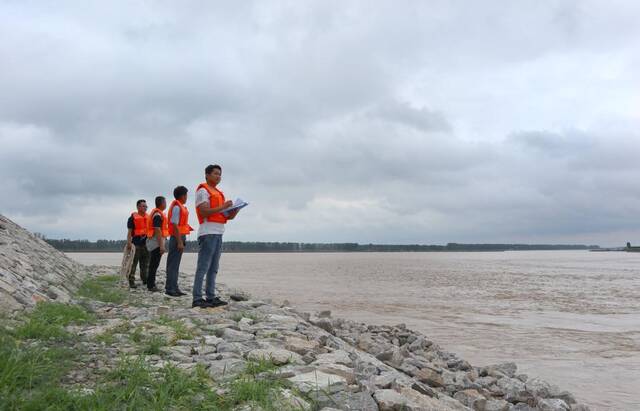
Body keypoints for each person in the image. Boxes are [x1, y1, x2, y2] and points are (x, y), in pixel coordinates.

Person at [192, 164, 238, 308]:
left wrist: (234, 211)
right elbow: (204, 212)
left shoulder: (218, 192)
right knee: (203, 267)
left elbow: (225, 216)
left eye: (220, 174)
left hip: (218, 232)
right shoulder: (202, 191)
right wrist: (223, 207)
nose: (218, 176)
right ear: (207, 175)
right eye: (215, 173)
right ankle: (197, 298)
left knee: (213, 267)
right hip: (208, 233)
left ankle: (210, 296)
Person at [166, 186, 193, 297]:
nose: (187, 197)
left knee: (176, 265)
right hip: (177, 238)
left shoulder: (180, 206)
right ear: (182, 196)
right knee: (173, 264)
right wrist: (179, 242)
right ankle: (170, 289)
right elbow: (175, 225)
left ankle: (174, 287)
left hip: (180, 237)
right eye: (186, 195)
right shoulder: (177, 207)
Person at [146, 196, 169, 292]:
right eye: (165, 202)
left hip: (155, 243)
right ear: (161, 203)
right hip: (156, 243)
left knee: (153, 264)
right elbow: (158, 230)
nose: (166, 204)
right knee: (154, 265)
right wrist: (162, 246)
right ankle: (151, 285)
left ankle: (151, 284)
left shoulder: (157, 214)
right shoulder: (157, 215)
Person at [126, 199, 150, 289]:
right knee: (133, 264)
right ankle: (131, 281)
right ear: (138, 207)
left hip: (147, 245)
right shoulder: (132, 218)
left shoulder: (149, 217)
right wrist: (129, 243)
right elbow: (129, 232)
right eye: (143, 206)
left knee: (145, 264)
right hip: (136, 245)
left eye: (146, 206)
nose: (145, 208)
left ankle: (145, 279)